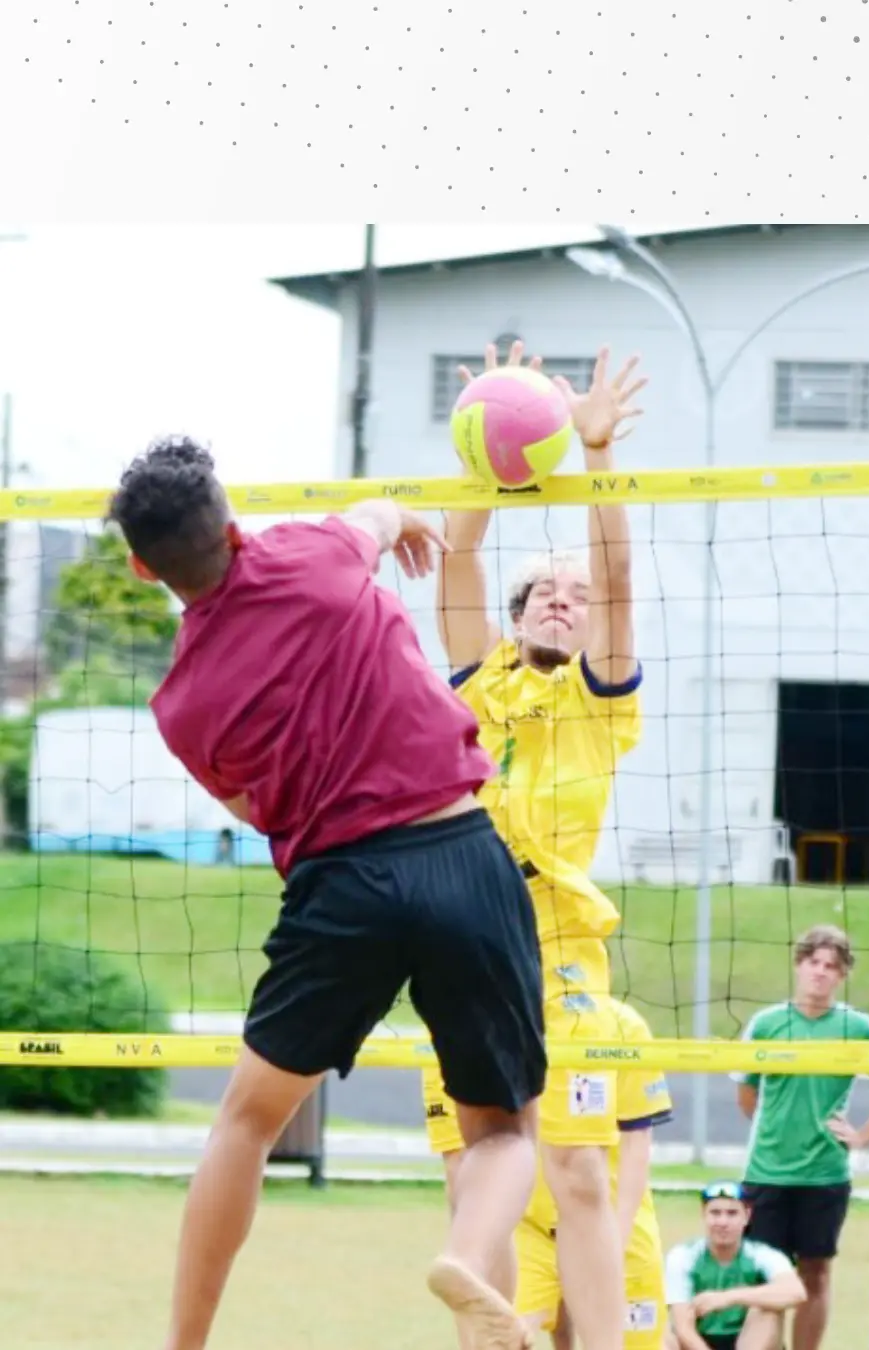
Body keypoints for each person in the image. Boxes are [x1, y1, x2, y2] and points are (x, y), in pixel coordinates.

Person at [107, 437, 547, 1350]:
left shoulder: (180, 707)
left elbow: (251, 804)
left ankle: (183, 1344)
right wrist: (415, 520)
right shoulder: (314, 550)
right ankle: (466, 1253)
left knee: (246, 1121)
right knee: (503, 1131)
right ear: (233, 529)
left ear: (142, 565)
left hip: (339, 887)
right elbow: (380, 516)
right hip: (458, 851)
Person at [422, 339, 647, 1350]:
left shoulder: (600, 702)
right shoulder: (480, 684)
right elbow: (460, 555)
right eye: (542, 591)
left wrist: (591, 450)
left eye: (574, 595)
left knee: (579, 1168)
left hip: (561, 945)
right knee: (475, 1174)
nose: (564, 595)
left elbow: (615, 567)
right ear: (512, 620)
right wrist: (489, 436)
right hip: (463, 936)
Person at [733, 924, 869, 1350]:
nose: (821, 972)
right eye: (814, 962)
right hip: (767, 1172)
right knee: (767, 1280)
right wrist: (776, 1128)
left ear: (842, 975)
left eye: (831, 966)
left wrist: (862, 1136)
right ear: (799, 965)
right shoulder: (766, 1023)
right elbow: (746, 1093)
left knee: (815, 1273)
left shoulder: (858, 1026)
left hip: (825, 1174)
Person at [514, 999, 675, 1350]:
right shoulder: (514, 1013)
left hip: (612, 1224)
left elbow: (638, 1139)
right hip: (535, 1229)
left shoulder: (623, 1024)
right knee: (503, 1338)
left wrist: (616, 1234)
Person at [663, 1181, 806, 1350]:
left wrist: (727, 1298)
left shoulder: (763, 1255)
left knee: (767, 1311)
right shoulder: (683, 1256)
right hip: (699, 1341)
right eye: (715, 1213)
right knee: (661, 1338)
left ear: (746, 1216)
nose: (723, 1222)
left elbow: (796, 1293)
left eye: (732, 1213)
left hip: (750, 1339)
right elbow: (683, 1327)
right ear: (704, 1215)